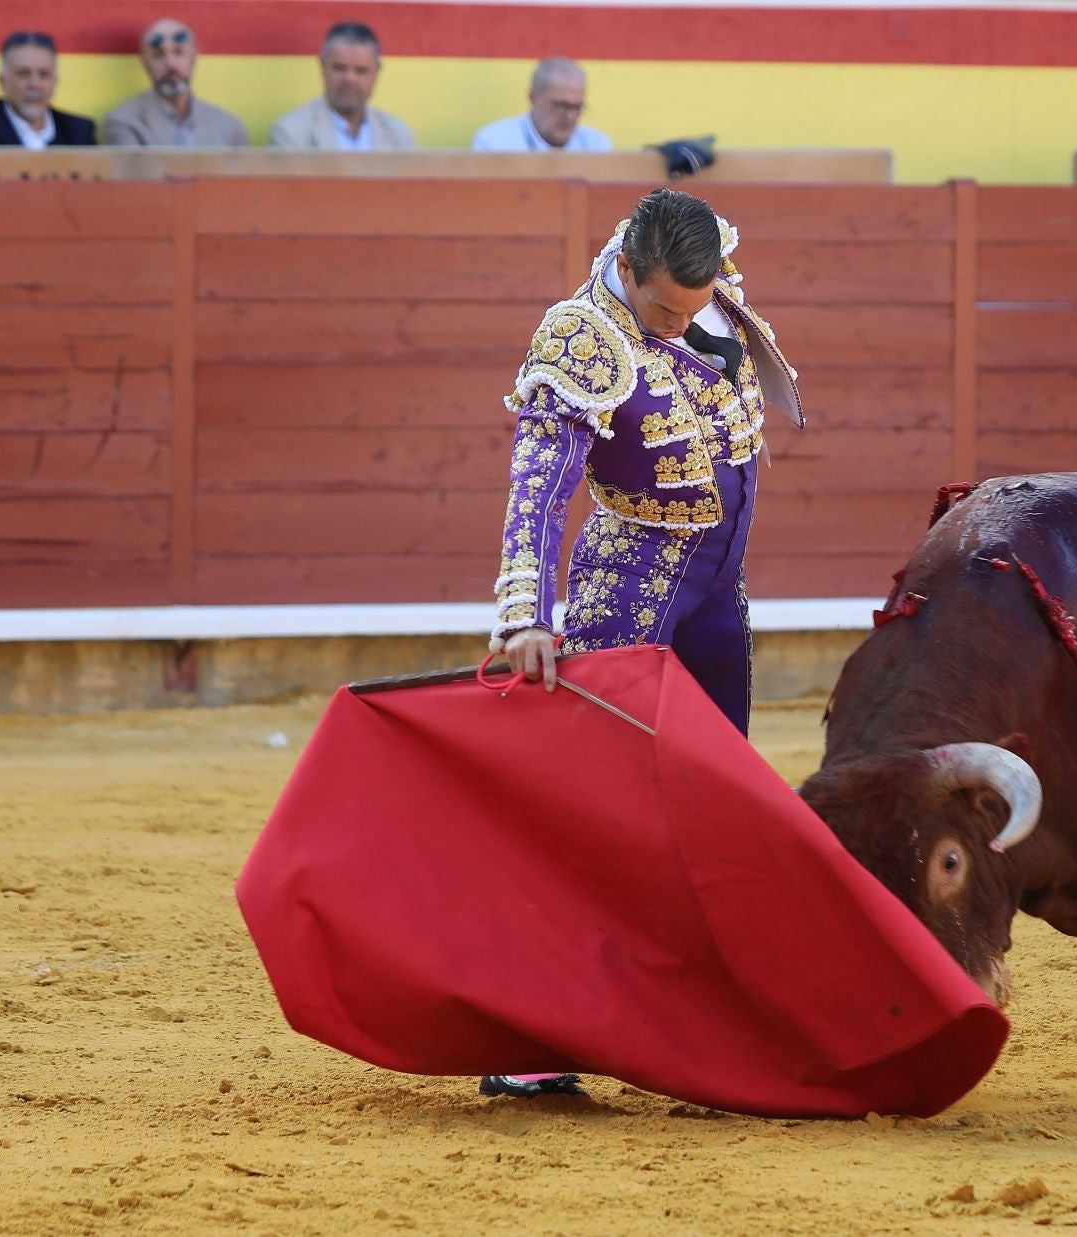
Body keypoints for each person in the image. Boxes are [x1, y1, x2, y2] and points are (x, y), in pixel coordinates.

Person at [479, 187, 803, 1101]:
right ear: (625, 266)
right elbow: (539, 491)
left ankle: (713, 1013)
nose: (680, 320)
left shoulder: (706, 285)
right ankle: (538, 1033)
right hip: (628, 584)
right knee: (596, 813)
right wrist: (526, 616)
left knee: (721, 799)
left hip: (715, 592)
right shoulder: (580, 336)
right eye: (663, 307)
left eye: (694, 306)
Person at [268, 22, 414, 151]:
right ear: (323, 67)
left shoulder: (398, 135)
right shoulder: (291, 133)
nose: (349, 79)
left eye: (361, 70)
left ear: (376, 72)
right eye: (339, 68)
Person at [102, 18, 248, 147]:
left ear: (194, 57)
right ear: (144, 62)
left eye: (179, 52)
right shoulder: (125, 122)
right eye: (158, 55)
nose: (170, 64)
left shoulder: (229, 127)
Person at [0, 31, 96, 147]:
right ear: (3, 81)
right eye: (23, 74)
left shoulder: (79, 132)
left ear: (55, 81)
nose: (34, 84)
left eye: (44, 74)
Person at [470, 58, 611, 152]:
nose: (570, 116)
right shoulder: (495, 143)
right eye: (560, 106)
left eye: (577, 108)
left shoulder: (596, 145)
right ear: (533, 98)